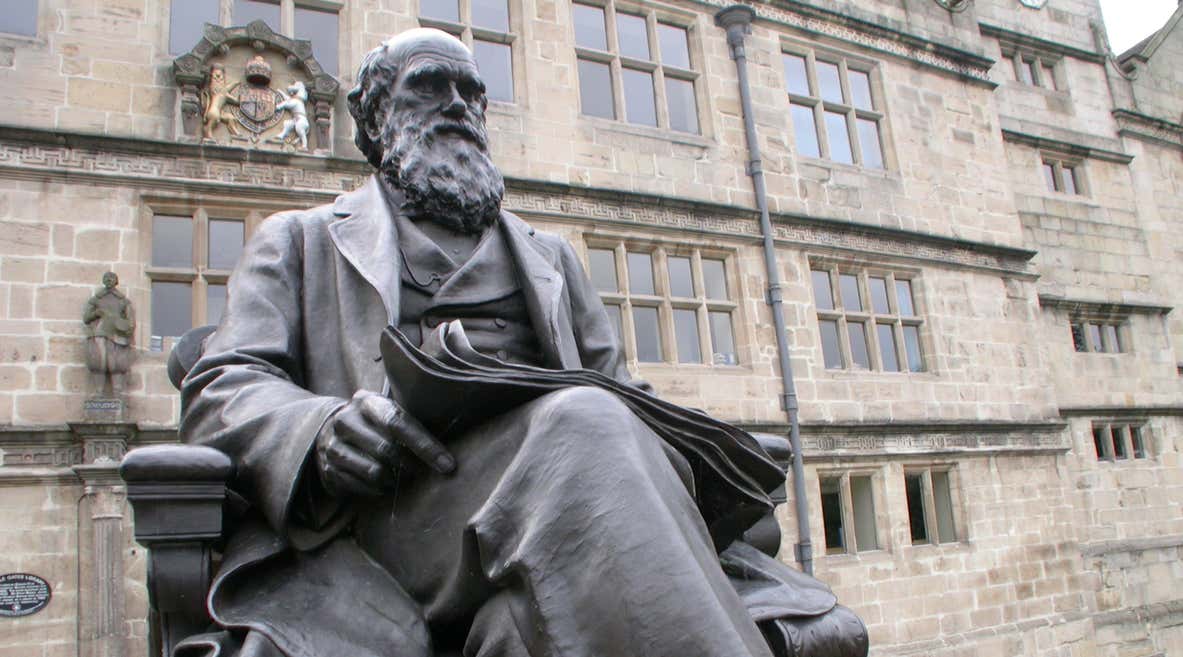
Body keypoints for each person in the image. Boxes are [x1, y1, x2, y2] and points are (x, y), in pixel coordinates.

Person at [179, 28, 864, 657]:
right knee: (582, 419)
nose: (457, 106)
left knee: (519, 617)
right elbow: (220, 386)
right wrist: (320, 429)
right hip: (394, 516)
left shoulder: (553, 256)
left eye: (472, 94)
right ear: (372, 117)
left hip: (569, 499)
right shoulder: (299, 241)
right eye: (429, 86)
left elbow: (624, 391)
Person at [83, 271, 135, 395]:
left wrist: (122, 326)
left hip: (117, 336)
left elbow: (131, 322)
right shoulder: (96, 299)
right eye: (106, 278)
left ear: (116, 281)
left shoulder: (123, 301)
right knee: (99, 364)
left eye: (111, 278)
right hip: (100, 334)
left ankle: (117, 393)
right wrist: (96, 313)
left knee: (116, 365)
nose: (109, 280)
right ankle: (98, 393)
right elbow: (86, 318)